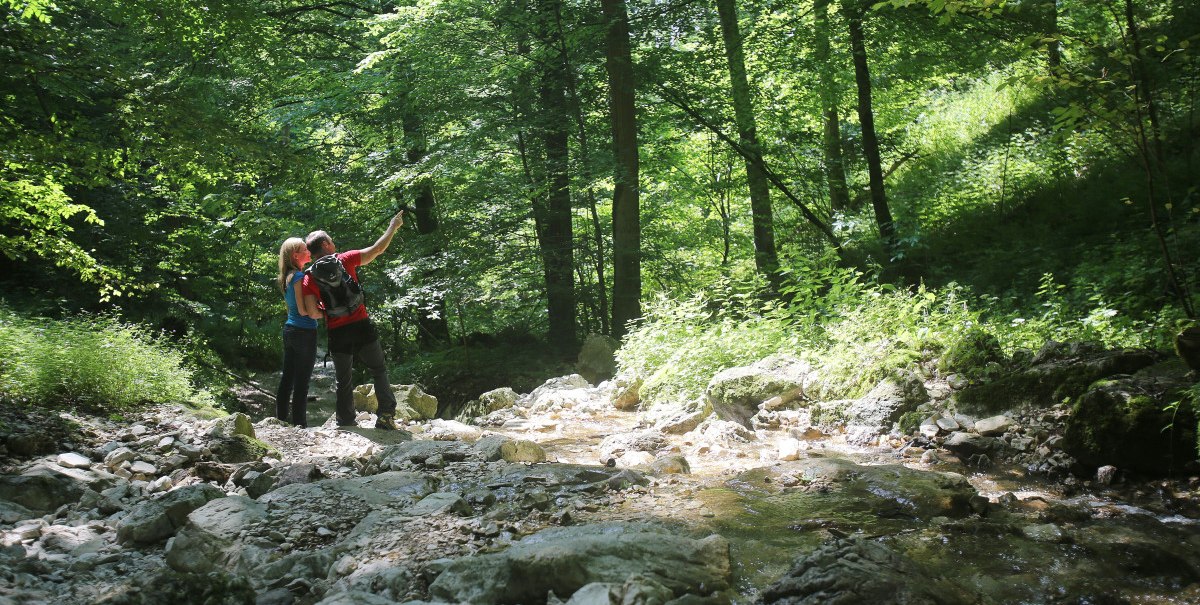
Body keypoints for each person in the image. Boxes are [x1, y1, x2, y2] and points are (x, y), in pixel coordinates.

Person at [302, 211, 405, 430]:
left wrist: (331, 312)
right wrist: (392, 227)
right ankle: (386, 415)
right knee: (378, 370)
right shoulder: (344, 260)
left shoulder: (309, 277)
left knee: (343, 379)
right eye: (331, 240)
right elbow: (377, 249)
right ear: (327, 245)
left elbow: (312, 312)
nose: (333, 242)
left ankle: (346, 421)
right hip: (361, 325)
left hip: (338, 332)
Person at [275, 237, 322, 428]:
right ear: (295, 255)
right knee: (302, 381)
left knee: (288, 377)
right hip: (304, 332)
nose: (309, 251)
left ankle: (280, 420)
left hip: (290, 330)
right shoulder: (300, 277)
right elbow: (305, 311)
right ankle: (300, 425)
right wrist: (323, 311)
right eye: (305, 249)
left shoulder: (287, 276)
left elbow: (294, 309)